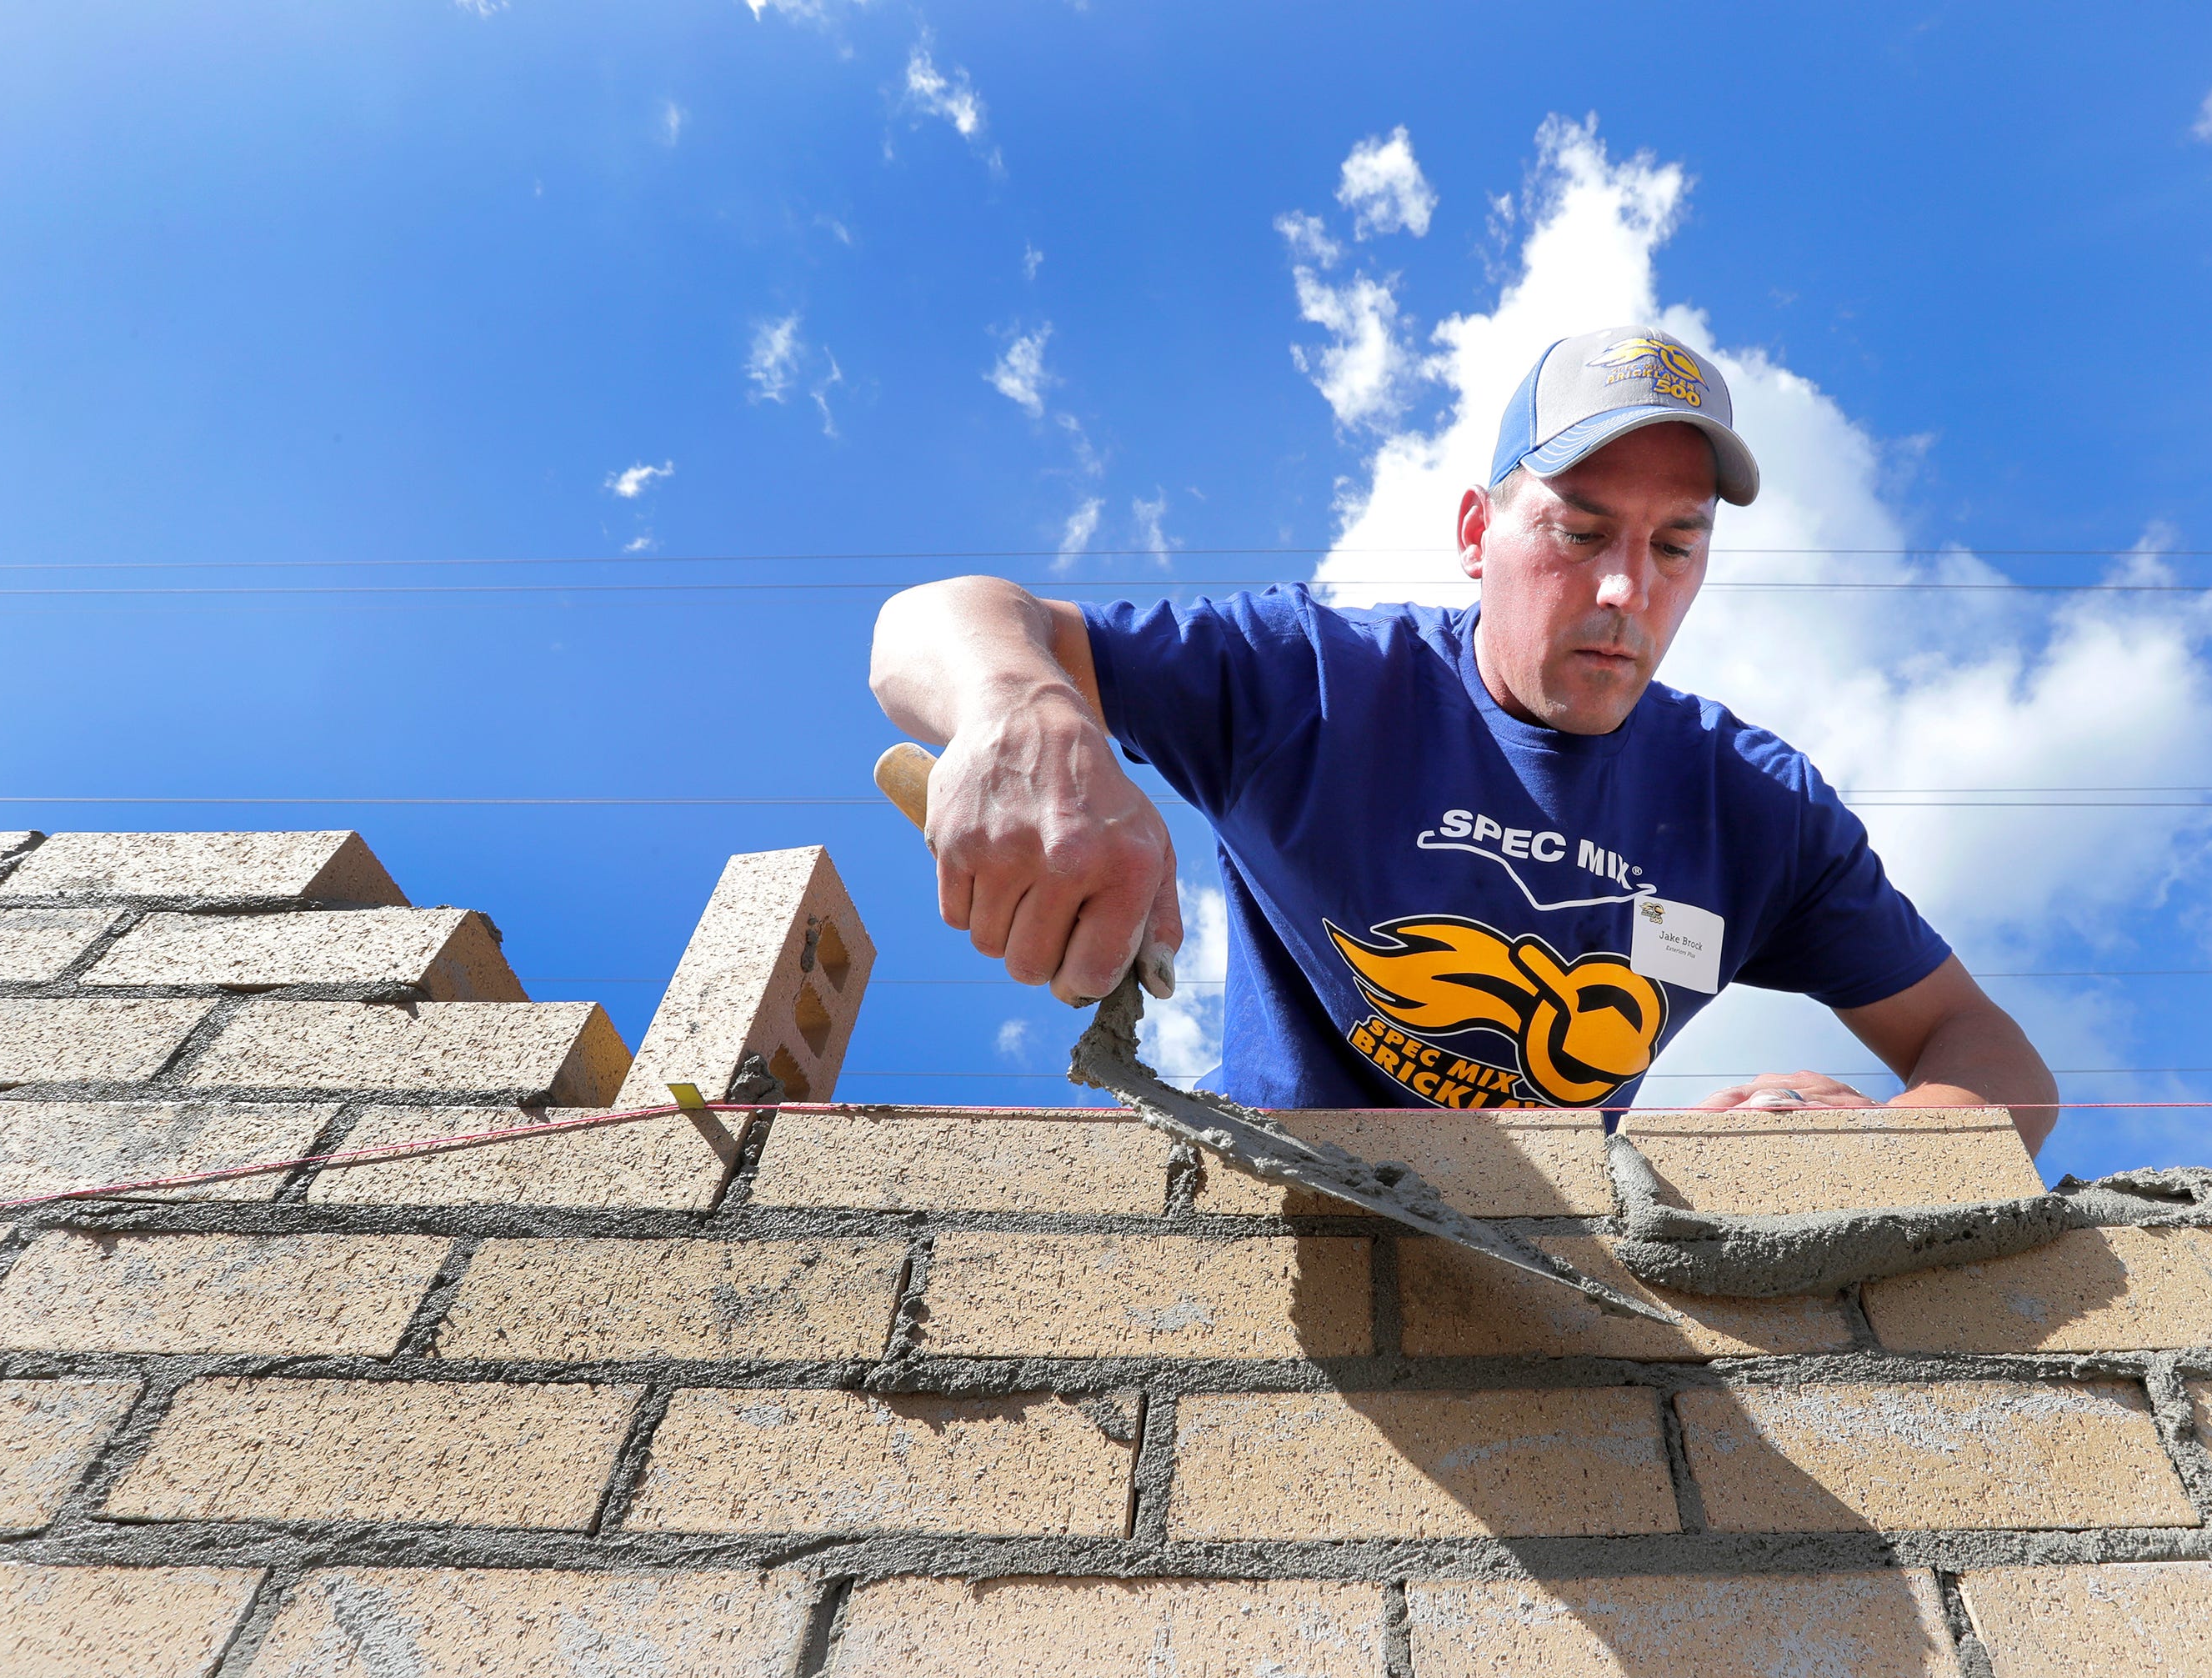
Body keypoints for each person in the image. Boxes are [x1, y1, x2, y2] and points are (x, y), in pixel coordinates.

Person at [871, 325, 2059, 1150]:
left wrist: (1882, 1147)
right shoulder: (1314, 681)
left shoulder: (1757, 810)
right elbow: (930, 622)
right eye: (1580, 532)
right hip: (1284, 1229)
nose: (1626, 591)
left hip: (1553, 1273)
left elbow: (1991, 1054)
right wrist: (1024, 709)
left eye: (1674, 546)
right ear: (1476, 533)